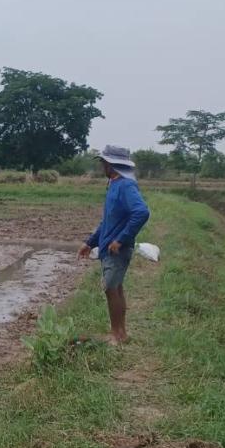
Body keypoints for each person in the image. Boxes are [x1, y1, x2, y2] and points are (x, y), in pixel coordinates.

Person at [78, 145, 151, 345]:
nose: (102, 166)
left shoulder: (125, 185)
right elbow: (108, 221)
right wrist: (90, 242)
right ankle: (120, 333)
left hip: (116, 249)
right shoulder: (114, 184)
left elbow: (141, 212)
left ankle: (118, 335)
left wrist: (120, 239)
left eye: (103, 162)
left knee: (111, 288)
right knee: (115, 288)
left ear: (111, 164)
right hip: (108, 247)